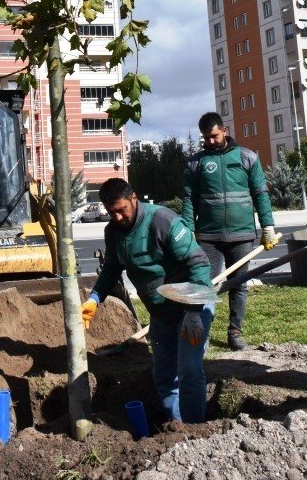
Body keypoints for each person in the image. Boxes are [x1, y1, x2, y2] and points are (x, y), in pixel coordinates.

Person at [81, 177, 214, 424]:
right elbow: (111, 268)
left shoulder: (162, 221)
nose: (118, 217)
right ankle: (177, 427)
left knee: (188, 370)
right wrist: (95, 298)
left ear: (134, 198)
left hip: (191, 307)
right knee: (164, 376)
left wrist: (194, 311)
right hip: (161, 313)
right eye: (112, 213)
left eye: (122, 210)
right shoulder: (113, 231)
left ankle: (195, 430)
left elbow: (198, 262)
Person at [181, 112, 278, 350]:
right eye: (206, 138)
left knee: (239, 284)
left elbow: (260, 193)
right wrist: (188, 229)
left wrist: (268, 225)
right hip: (208, 236)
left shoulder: (247, 157)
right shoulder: (196, 163)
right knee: (204, 284)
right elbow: (188, 199)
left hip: (242, 234)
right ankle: (201, 333)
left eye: (214, 136)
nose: (210, 141)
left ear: (224, 131)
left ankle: (235, 332)